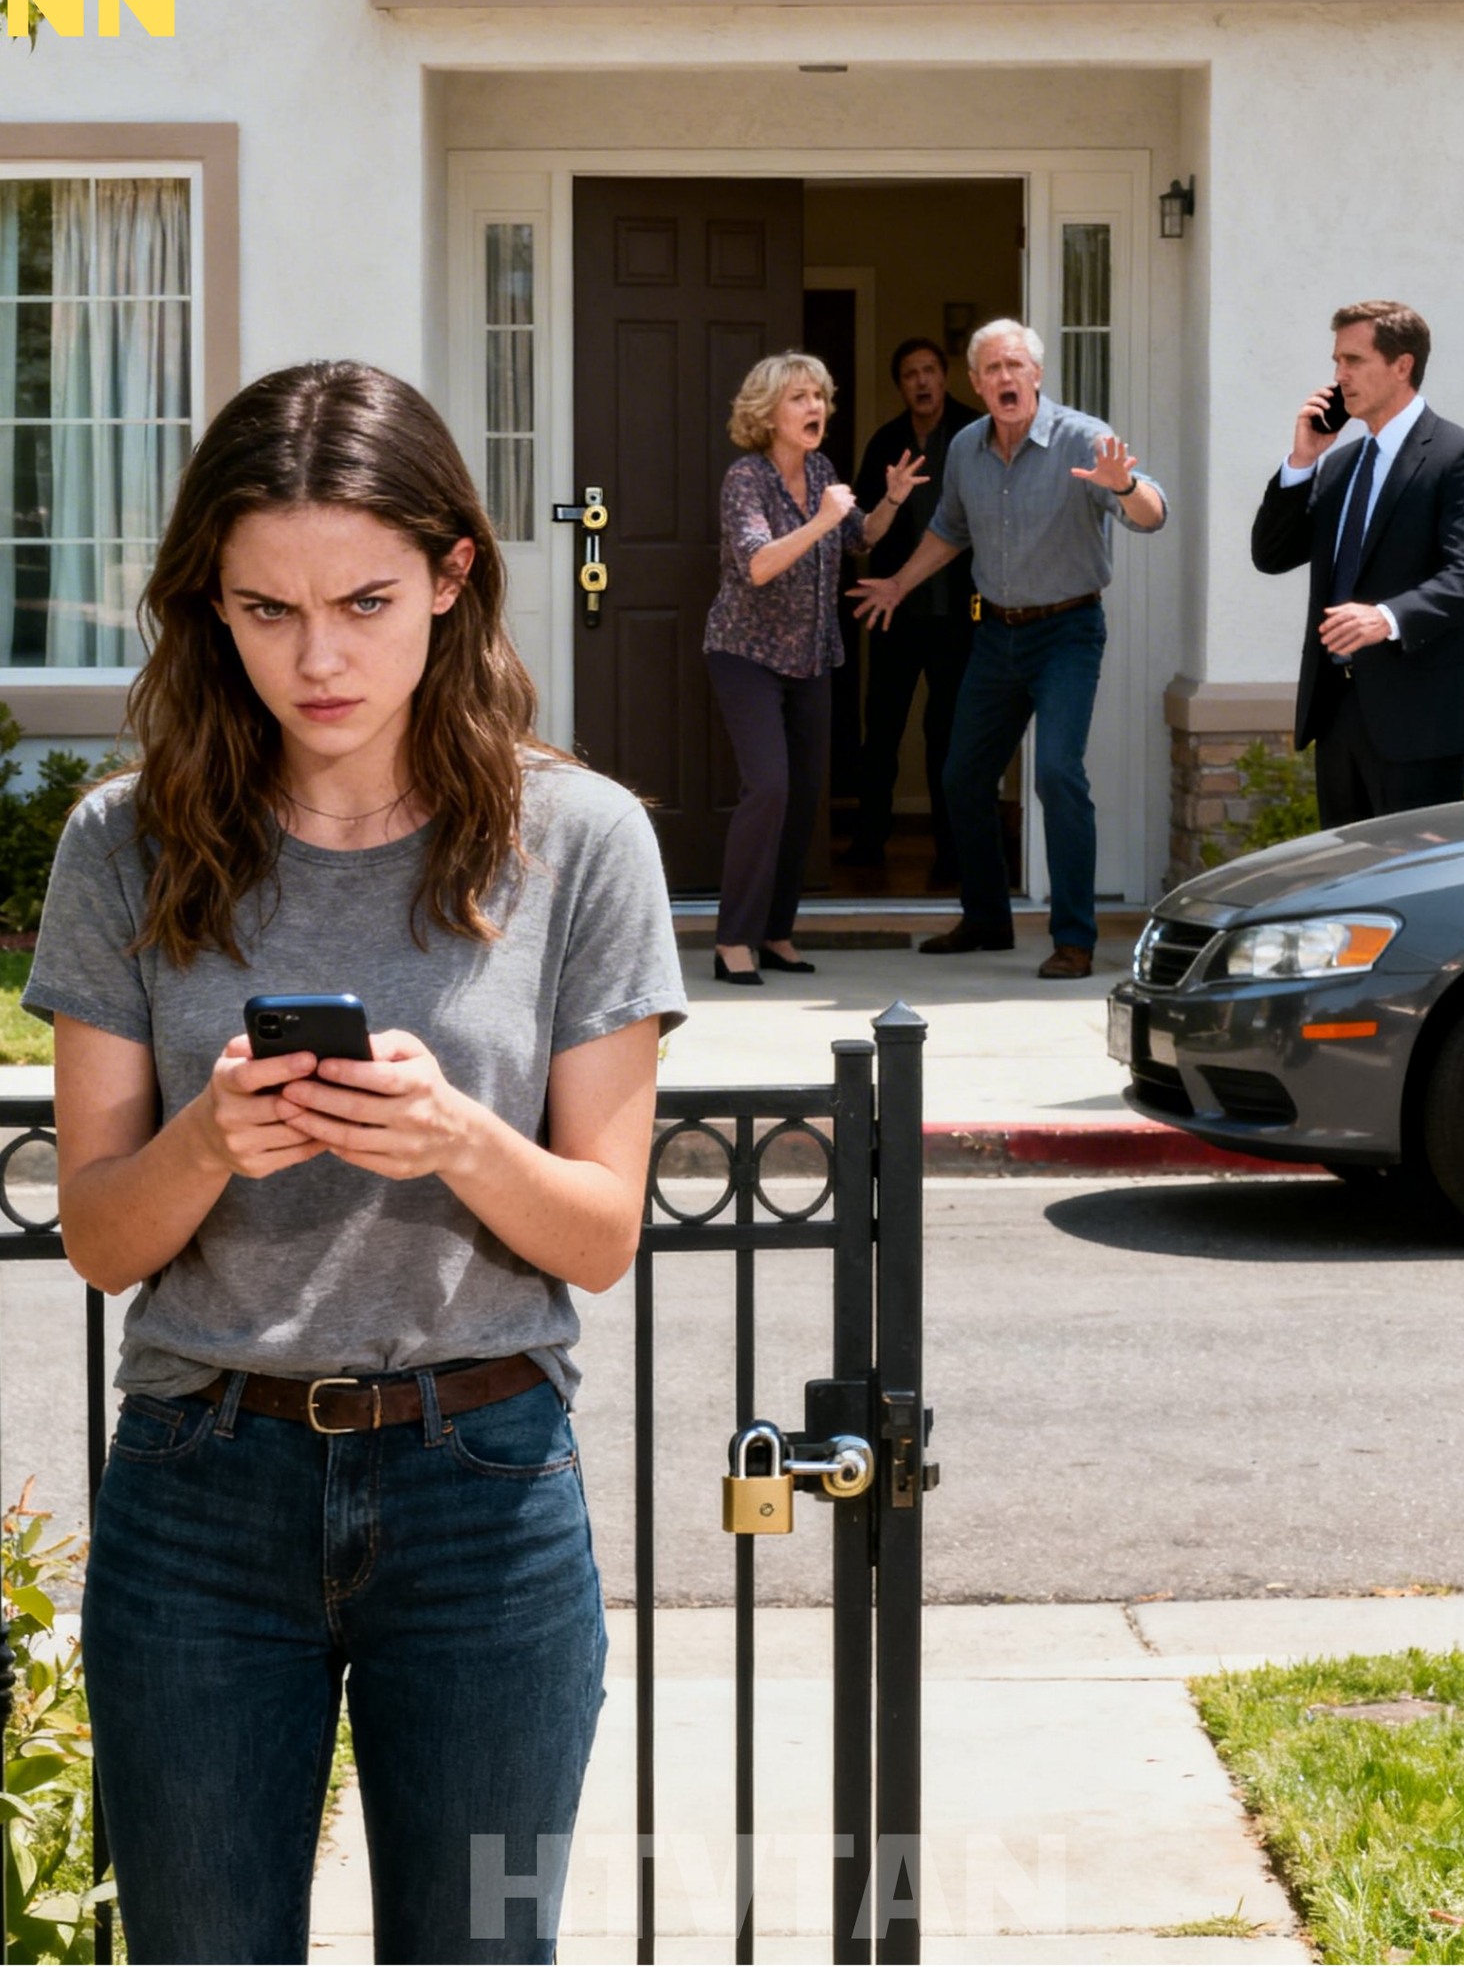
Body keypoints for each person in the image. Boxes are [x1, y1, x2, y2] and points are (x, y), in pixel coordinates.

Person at [23, 361, 687, 1966]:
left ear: (455, 577)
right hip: (200, 1490)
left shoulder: (582, 841)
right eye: (264, 612)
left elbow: (599, 1238)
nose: (317, 657)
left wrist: (457, 1138)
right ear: (211, 608)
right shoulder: (124, 845)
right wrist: (206, 1141)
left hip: (485, 1484)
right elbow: (103, 1242)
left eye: (366, 601)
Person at [850, 319, 1167, 979]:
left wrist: (1125, 487)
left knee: (1056, 772)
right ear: (976, 383)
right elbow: (947, 531)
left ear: (1037, 376)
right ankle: (987, 919)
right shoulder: (965, 448)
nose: (1003, 378)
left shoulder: (1082, 438)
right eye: (991, 370)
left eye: (1014, 366)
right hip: (995, 634)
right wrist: (899, 585)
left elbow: (1153, 514)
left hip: (1068, 633)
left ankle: (1074, 937)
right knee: (962, 776)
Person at [704, 350, 926, 985]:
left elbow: (860, 537)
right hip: (745, 653)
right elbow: (757, 564)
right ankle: (733, 940)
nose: (815, 408)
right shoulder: (745, 479)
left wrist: (889, 501)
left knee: (803, 800)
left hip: (812, 657)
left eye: (819, 397)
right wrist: (822, 518)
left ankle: (776, 932)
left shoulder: (824, 468)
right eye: (800, 398)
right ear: (767, 413)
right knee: (768, 787)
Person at [1250, 299, 1464, 827]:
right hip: (1337, 713)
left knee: (1416, 890)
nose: (1339, 376)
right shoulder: (1338, 464)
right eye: (1336, 362)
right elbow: (1271, 555)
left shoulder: (1461, 455)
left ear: (1402, 365)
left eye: (1353, 360)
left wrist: (1385, 618)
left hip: (1420, 720)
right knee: (1348, 893)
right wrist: (1302, 463)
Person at [845, 337, 980, 883]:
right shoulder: (886, 441)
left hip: (960, 611)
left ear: (945, 377)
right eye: (909, 374)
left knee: (946, 732)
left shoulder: (975, 434)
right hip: (893, 608)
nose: (921, 382)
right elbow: (858, 527)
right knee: (881, 726)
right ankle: (868, 841)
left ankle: (952, 853)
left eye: (929, 371)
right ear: (899, 385)